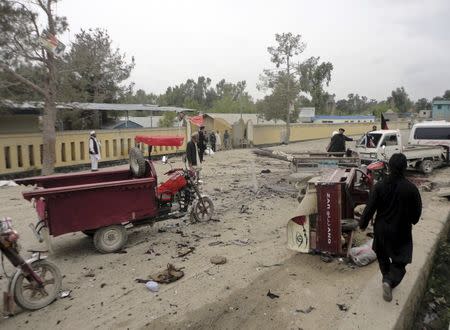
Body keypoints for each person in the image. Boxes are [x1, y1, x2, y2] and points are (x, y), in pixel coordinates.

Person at [359, 153, 422, 302]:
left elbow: (369, 208)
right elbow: (416, 214)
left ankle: (387, 280)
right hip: (401, 231)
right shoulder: (411, 189)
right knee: (400, 261)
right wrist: (412, 220)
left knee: (382, 257)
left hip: (381, 229)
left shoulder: (379, 186)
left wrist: (363, 224)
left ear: (388, 166)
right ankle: (389, 281)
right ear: (405, 167)